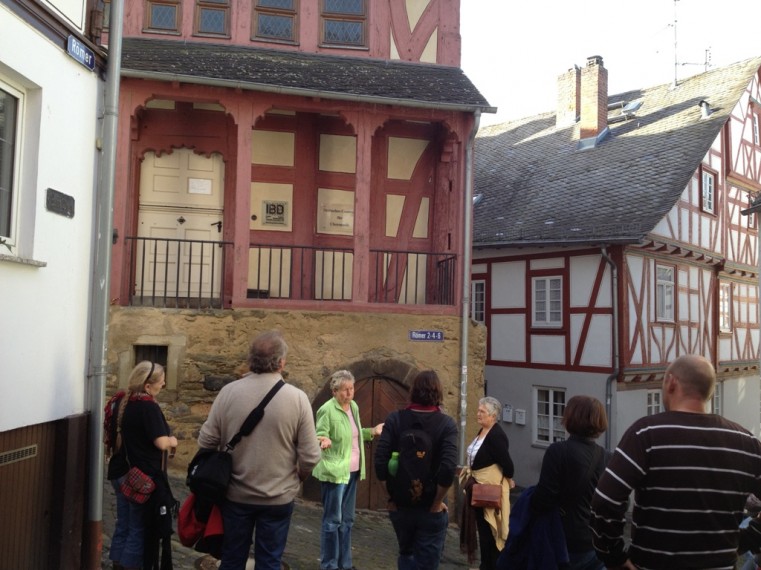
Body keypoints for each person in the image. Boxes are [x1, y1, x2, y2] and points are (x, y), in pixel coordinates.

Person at [590, 354, 761, 569]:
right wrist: (748, 538)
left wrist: (615, 557)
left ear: (671, 382)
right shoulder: (747, 443)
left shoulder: (645, 434)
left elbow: (605, 501)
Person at [197, 330, 321, 570]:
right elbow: (311, 456)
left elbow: (206, 440)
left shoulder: (228, 392)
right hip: (277, 496)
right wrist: (299, 477)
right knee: (270, 562)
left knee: (232, 560)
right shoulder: (297, 398)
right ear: (281, 362)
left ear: (250, 360)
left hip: (235, 495)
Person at [375, 370, 459, 570]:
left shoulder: (395, 419)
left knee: (406, 554)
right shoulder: (446, 424)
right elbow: (448, 468)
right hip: (431, 505)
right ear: (438, 393)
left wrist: (391, 497)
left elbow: (380, 461)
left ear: (413, 391)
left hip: (401, 504)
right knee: (427, 562)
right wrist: (437, 502)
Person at [104, 361, 178, 570]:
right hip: (140, 477)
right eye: (161, 381)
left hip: (120, 471)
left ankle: (117, 564)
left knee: (123, 523)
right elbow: (161, 442)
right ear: (147, 385)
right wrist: (173, 441)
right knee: (138, 528)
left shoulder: (121, 401)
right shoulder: (147, 407)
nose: (163, 385)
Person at [312, 370, 384, 570]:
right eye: (344, 390)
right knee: (332, 521)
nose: (349, 393)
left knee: (347, 521)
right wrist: (323, 439)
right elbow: (318, 435)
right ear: (334, 391)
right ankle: (329, 565)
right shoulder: (327, 410)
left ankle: (345, 564)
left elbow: (354, 434)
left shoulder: (353, 407)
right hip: (335, 474)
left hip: (352, 471)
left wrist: (372, 432)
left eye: (351, 388)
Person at [530, 395, 607, 570]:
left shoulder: (557, 452)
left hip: (564, 541)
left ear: (570, 418)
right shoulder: (606, 457)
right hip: (595, 542)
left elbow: (543, 500)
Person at [459, 396, 515, 570]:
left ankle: (491, 566)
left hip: (488, 490)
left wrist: (507, 478)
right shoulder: (483, 431)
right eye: (478, 410)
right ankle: (486, 564)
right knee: (483, 531)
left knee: (490, 531)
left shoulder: (496, 436)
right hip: (478, 488)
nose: (478, 414)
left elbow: (508, 465)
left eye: (482, 411)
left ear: (493, 415)